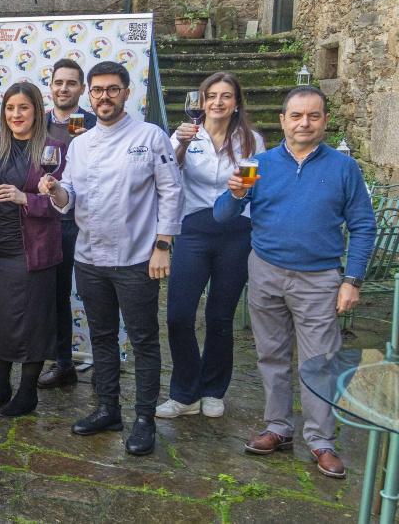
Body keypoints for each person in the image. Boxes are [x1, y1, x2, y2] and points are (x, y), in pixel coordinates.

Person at [214, 85, 375, 479]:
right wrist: (234, 194)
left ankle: (321, 441)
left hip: (319, 278)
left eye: (313, 116)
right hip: (266, 270)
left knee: (319, 362)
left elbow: (363, 226)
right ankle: (278, 428)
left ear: (324, 121)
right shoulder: (260, 164)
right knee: (271, 355)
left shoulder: (343, 168)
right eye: (297, 115)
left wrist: (351, 279)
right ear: (283, 120)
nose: (305, 123)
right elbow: (222, 216)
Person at [40, 60, 183, 456]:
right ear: (90, 94)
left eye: (112, 89)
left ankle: (143, 419)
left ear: (126, 93)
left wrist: (163, 246)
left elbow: (171, 191)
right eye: (98, 90)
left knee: (143, 340)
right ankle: (107, 408)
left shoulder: (150, 136)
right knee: (102, 337)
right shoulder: (81, 143)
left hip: (138, 257)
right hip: (90, 258)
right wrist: (54, 191)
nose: (104, 96)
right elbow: (70, 197)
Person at [156, 72, 264, 420]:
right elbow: (166, 174)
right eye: (211, 96)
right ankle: (185, 393)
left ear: (236, 103)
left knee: (220, 316)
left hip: (236, 231)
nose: (218, 102)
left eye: (226, 96)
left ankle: (213, 389)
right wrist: (182, 144)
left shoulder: (253, 141)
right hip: (194, 229)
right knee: (178, 315)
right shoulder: (186, 134)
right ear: (200, 103)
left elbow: (258, 187)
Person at [0, 82, 66, 417]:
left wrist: (26, 199)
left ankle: (27, 392)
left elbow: (60, 203)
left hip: (32, 251)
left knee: (32, 322)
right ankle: (0, 385)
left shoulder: (52, 148)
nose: (16, 115)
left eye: (23, 108)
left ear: (36, 110)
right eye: (10, 108)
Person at [38, 58, 97, 390]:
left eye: (71, 83)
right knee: (55, 295)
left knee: (97, 293)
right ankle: (62, 363)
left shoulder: (93, 123)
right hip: (48, 221)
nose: (64, 88)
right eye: (59, 82)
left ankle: (104, 362)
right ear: (51, 86)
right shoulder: (37, 123)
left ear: (82, 88)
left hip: (88, 219)